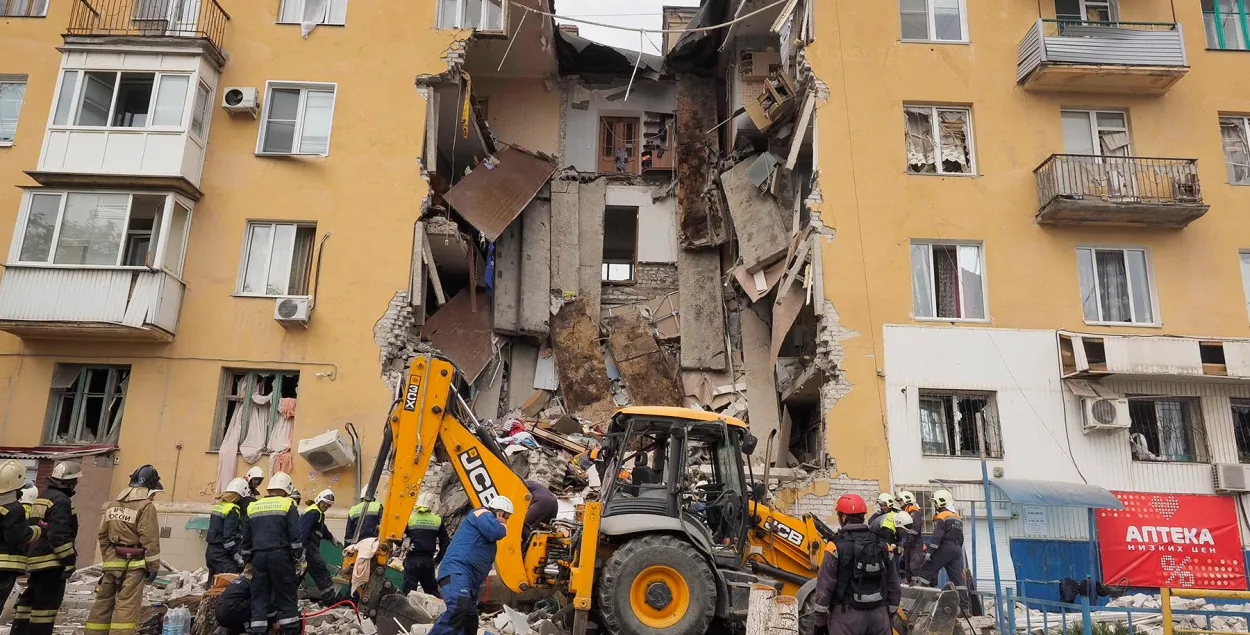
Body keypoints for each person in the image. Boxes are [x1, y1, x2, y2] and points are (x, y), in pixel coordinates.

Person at [86, 465, 162, 635]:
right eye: (154, 492)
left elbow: (103, 535)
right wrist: (153, 567)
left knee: (103, 604)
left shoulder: (113, 504)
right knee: (126, 607)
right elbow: (149, 539)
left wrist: (109, 558)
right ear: (149, 488)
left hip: (112, 562)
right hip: (134, 565)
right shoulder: (145, 506)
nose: (155, 497)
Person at [811, 493, 900, 635]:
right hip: (879, 615)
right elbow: (894, 583)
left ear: (843, 517)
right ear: (863, 516)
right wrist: (889, 614)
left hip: (846, 618)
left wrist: (819, 622)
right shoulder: (883, 545)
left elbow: (824, 587)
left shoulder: (835, 546)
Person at [13, 461, 80, 635]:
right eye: (75, 480)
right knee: (45, 607)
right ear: (69, 482)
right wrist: (69, 561)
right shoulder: (62, 500)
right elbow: (59, 534)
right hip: (51, 562)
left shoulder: (43, 496)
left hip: (36, 559)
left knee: (29, 601)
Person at [428, 497, 512, 635]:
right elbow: (496, 531)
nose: (506, 520)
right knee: (458, 606)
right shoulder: (482, 513)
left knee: (469, 620)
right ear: (499, 512)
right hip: (457, 571)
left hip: (470, 579)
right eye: (506, 516)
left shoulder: (485, 524)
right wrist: (503, 526)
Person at [242, 472, 303, 635]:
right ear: (287, 489)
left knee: (259, 595)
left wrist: (247, 559)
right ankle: (289, 630)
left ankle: (258, 630)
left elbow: (246, 537)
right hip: (280, 556)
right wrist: (299, 557)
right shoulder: (288, 503)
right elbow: (295, 535)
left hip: (258, 558)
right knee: (285, 595)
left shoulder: (253, 506)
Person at [914, 489, 969, 616]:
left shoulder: (941, 517)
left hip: (944, 548)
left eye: (935, 503)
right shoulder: (957, 518)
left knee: (926, 572)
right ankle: (965, 609)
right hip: (956, 550)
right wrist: (957, 552)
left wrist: (930, 552)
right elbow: (961, 539)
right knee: (958, 581)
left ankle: (920, 605)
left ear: (940, 502)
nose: (934, 506)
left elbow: (937, 537)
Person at [402, 492, 449, 597]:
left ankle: (408, 613)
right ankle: (438, 612)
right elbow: (445, 543)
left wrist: (403, 544)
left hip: (412, 560)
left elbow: (397, 536)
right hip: (428, 562)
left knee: (408, 594)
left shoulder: (410, 519)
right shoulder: (437, 520)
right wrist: (438, 559)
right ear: (431, 505)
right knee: (432, 592)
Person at [205, 478, 248, 583]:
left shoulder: (219, 506)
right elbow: (228, 538)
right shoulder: (233, 509)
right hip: (221, 554)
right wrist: (238, 558)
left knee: (212, 586)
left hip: (210, 552)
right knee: (230, 580)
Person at [300, 489, 338, 601]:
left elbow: (322, 530)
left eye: (328, 505)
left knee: (300, 574)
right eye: (324, 504)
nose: (326, 506)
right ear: (319, 500)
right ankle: (330, 599)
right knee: (320, 571)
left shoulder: (318, 513)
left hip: (308, 548)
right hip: (308, 548)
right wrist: (302, 550)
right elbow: (303, 531)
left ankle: (288, 598)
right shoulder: (313, 513)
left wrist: (331, 538)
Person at [897, 491, 924, 583]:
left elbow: (915, 529)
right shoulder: (906, 512)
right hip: (908, 544)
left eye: (901, 501)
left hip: (914, 544)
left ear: (906, 500)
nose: (899, 503)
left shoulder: (914, 511)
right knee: (907, 567)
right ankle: (910, 584)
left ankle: (917, 587)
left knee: (914, 567)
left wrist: (910, 540)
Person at [522, 480, 557, 548]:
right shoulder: (532, 483)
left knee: (523, 525)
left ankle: (526, 550)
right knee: (545, 531)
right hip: (554, 502)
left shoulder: (520, 485)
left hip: (541, 501)